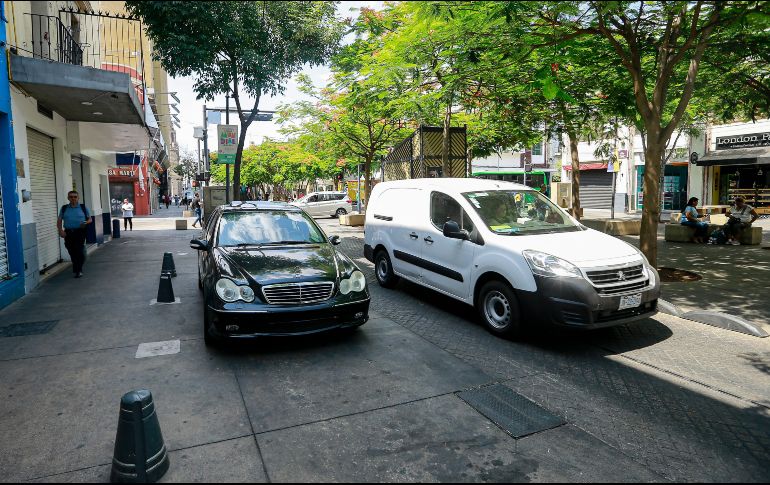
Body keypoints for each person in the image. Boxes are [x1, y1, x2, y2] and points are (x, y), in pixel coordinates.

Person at [57, 190, 92, 278]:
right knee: (71, 251)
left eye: (75, 197)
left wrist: (86, 222)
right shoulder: (64, 208)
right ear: (68, 198)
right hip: (68, 232)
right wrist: (60, 230)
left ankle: (78, 270)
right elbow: (59, 220)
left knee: (79, 251)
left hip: (80, 232)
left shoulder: (83, 207)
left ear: (78, 198)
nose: (73, 198)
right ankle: (77, 267)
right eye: (71, 197)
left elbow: (90, 219)